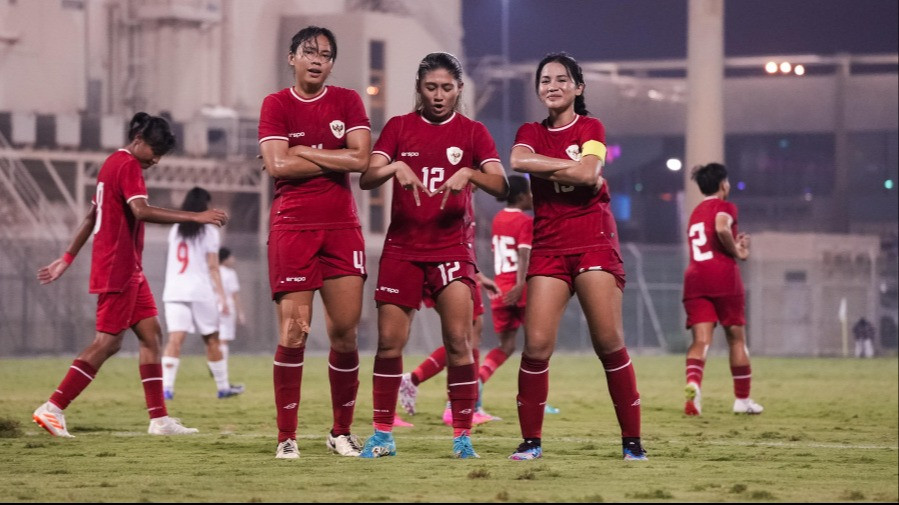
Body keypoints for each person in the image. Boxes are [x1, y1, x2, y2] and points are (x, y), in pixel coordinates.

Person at [32, 112, 227, 438]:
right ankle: (53, 407)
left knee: (152, 335)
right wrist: (196, 216)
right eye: (155, 151)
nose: (156, 159)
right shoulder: (127, 166)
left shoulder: (112, 164)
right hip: (117, 267)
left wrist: (67, 257)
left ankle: (159, 420)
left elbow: (92, 216)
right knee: (107, 343)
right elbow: (142, 210)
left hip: (128, 267)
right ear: (138, 141)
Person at [358, 52, 508, 459]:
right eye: (431, 88)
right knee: (389, 343)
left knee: (459, 342)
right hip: (402, 249)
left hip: (451, 250)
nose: (438, 96)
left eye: (446, 88)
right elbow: (367, 177)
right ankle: (382, 434)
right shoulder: (399, 127)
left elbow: (502, 185)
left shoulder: (473, 132)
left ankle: (462, 437)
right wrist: (394, 168)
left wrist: (471, 173)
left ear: (459, 89)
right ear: (419, 89)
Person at [507, 52, 646, 461]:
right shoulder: (529, 129)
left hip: (593, 241)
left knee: (608, 342)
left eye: (562, 80)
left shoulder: (591, 126)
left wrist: (548, 166)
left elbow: (590, 174)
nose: (552, 86)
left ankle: (632, 442)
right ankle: (531, 442)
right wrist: (569, 164)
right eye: (545, 80)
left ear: (578, 88)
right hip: (548, 245)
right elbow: (518, 161)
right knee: (535, 345)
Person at [258, 25, 371, 459]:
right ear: (292, 58)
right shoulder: (276, 104)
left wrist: (304, 151)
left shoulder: (348, 100)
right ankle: (287, 436)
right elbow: (277, 166)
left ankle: (340, 432)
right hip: (293, 228)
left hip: (342, 228)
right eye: (309, 51)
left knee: (345, 334)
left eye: (326, 53)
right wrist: (331, 155)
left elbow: (361, 159)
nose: (317, 58)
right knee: (293, 335)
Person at [682, 162, 763, 416]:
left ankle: (693, 385)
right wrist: (738, 250)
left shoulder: (695, 212)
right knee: (736, 339)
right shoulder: (725, 206)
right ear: (723, 185)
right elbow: (720, 227)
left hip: (695, 277)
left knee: (701, 340)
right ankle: (742, 400)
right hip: (723, 277)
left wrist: (729, 244)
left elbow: (711, 233)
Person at [160, 187, 244, 400]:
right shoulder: (209, 231)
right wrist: (222, 297)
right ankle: (223, 387)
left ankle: (167, 389)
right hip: (200, 291)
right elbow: (213, 267)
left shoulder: (176, 229)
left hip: (174, 290)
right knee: (212, 340)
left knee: (174, 340)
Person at [217, 247, 246, 360]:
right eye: (231, 257)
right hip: (227, 307)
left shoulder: (213, 271)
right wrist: (240, 313)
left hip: (212, 306)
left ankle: (214, 360)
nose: (233, 259)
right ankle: (221, 364)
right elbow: (235, 295)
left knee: (214, 336)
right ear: (225, 259)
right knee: (224, 337)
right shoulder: (230, 273)